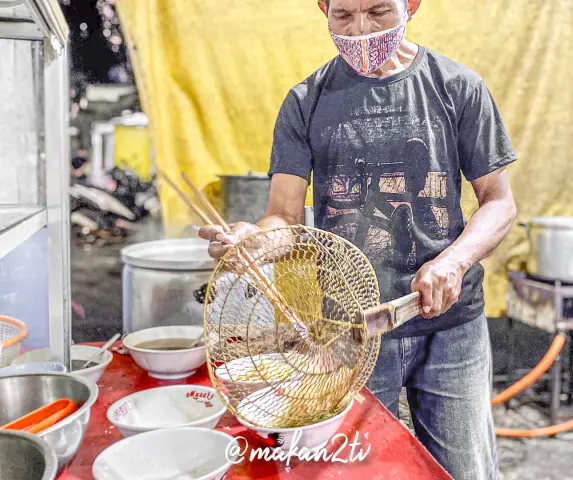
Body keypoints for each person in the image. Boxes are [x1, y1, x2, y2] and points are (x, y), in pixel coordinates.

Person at [200, 1, 517, 478]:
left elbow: (499, 202)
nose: (361, 30)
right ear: (323, 10)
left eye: (378, 13)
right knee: (356, 468)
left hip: (451, 324)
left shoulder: (456, 87)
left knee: (464, 470)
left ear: (410, 5)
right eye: (343, 16)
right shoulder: (306, 100)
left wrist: (454, 261)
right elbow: (284, 215)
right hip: (349, 330)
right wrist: (253, 242)